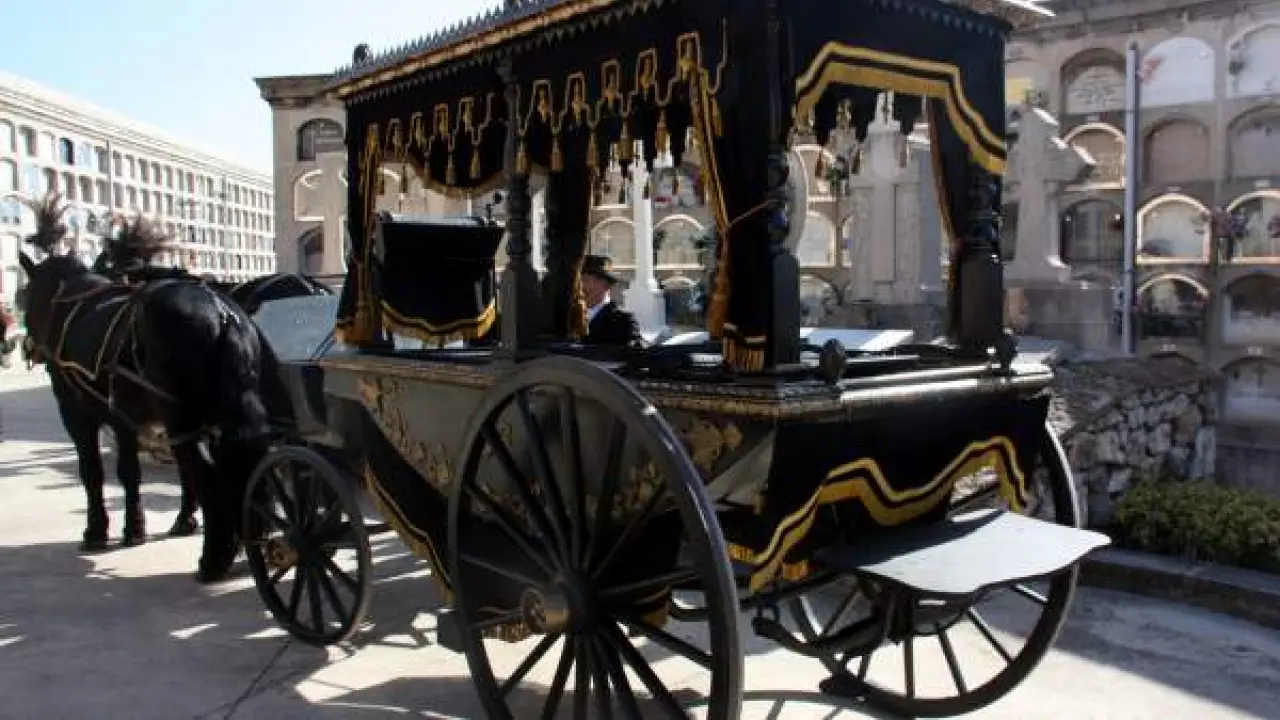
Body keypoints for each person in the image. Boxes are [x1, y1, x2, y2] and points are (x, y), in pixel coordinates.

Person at [580, 254, 642, 347]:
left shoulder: (622, 322)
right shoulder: (567, 318)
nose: (581, 287)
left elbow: (635, 352)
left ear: (606, 284)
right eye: (578, 282)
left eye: (586, 280)